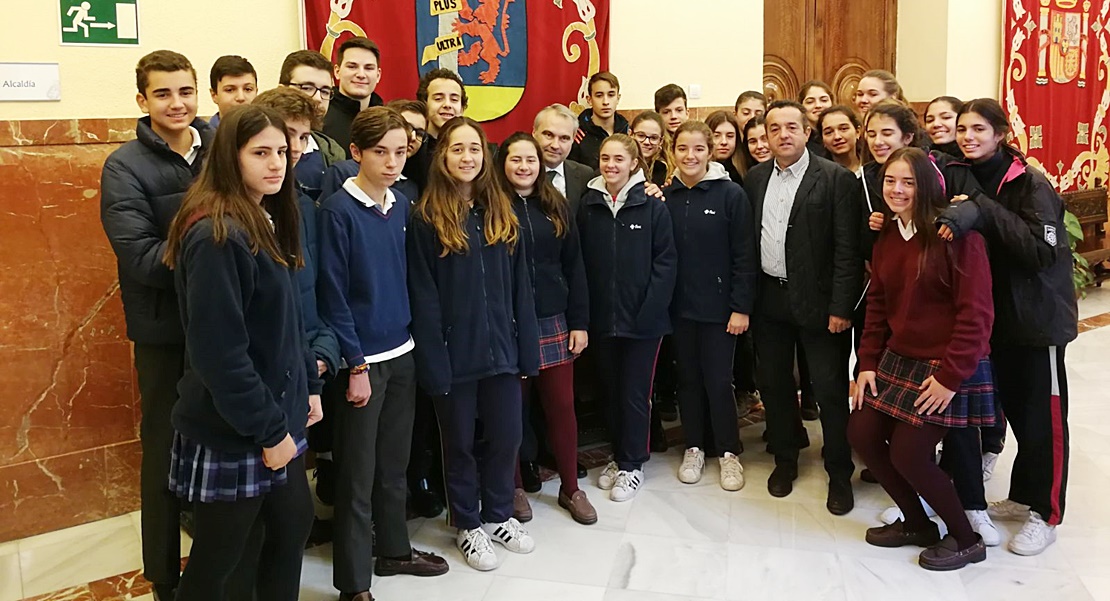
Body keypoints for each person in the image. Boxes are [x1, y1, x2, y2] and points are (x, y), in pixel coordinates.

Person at [161, 104, 321, 601]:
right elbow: (219, 354)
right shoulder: (217, 233)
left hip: (277, 411)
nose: (277, 163)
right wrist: (270, 429)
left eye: (281, 152)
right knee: (222, 557)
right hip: (239, 425)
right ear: (230, 157)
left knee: (289, 527)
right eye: (260, 153)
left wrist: (308, 388)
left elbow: (283, 323)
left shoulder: (264, 215)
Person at [317, 107, 449, 600]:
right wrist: (355, 364)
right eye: (380, 152)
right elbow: (334, 297)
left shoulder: (403, 205)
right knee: (357, 473)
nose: (392, 161)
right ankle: (354, 582)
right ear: (356, 153)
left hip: (403, 352)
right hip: (364, 363)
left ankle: (394, 549)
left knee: (395, 464)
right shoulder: (337, 212)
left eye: (401, 151)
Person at [99, 50, 214, 601]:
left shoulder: (219, 148)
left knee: (225, 447)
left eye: (186, 91)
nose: (178, 103)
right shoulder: (124, 166)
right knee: (165, 455)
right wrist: (218, 268)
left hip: (223, 330)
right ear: (142, 101)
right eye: (164, 94)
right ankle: (165, 578)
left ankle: (223, 562)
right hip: (166, 334)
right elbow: (139, 255)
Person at [848, 147, 994, 571]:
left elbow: (977, 314)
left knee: (909, 453)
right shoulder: (889, 234)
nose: (897, 189)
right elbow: (876, 304)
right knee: (862, 432)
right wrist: (867, 363)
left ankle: (966, 538)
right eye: (890, 180)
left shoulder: (957, 237)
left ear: (928, 186)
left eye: (908, 182)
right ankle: (916, 523)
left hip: (948, 362)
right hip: (897, 358)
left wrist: (950, 377)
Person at [942, 98, 1077, 556]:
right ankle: (1023, 496)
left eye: (979, 129)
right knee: (1014, 416)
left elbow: (1043, 251)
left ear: (1000, 134)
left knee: (1044, 422)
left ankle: (1047, 514)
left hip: (1037, 324)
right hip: (994, 323)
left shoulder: (1030, 184)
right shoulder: (961, 174)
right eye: (963, 128)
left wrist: (981, 207)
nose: (968, 136)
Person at [407, 116, 540, 571]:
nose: (467, 157)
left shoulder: (501, 211)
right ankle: (467, 523)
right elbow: (423, 297)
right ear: (442, 156)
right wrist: (434, 360)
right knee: (459, 443)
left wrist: (528, 350)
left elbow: (522, 287)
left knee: (507, 437)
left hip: (503, 349)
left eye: (475, 149)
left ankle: (499, 514)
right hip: (453, 354)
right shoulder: (426, 218)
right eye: (458, 149)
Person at [744, 100, 861, 515]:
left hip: (820, 302)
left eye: (791, 126)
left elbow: (848, 251)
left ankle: (838, 472)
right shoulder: (755, 178)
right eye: (774, 129)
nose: (783, 135)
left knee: (829, 391)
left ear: (807, 132)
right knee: (774, 384)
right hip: (769, 298)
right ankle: (787, 458)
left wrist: (841, 306)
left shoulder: (834, 179)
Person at [495, 132, 598, 525]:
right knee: (511, 412)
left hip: (554, 320)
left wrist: (580, 322)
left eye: (531, 160)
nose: (524, 167)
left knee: (562, 408)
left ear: (541, 165)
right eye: (516, 159)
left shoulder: (555, 205)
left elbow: (575, 266)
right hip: (508, 323)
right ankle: (515, 485)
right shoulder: (491, 207)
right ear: (502, 163)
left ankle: (571, 487)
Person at [578, 134, 677, 502]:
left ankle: (633, 464)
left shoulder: (653, 206)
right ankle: (619, 457)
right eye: (605, 158)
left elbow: (666, 263)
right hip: (604, 320)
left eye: (619, 159)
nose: (611, 165)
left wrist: (649, 311)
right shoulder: (589, 204)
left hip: (643, 323)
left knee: (636, 394)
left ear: (634, 163)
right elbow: (582, 262)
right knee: (611, 392)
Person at [665, 121, 757, 491]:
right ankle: (694, 446)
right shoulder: (665, 198)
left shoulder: (730, 195)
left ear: (710, 151)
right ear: (673, 151)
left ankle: (729, 452)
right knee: (687, 380)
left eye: (698, 149)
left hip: (721, 310)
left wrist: (741, 307)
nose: (690, 156)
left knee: (718, 381)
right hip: (678, 310)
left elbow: (744, 255)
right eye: (683, 149)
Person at [319, 99, 425, 203]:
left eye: (420, 132)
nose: (413, 137)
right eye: (407, 127)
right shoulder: (342, 172)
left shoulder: (408, 192)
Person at [278, 50, 347, 201]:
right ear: (282, 90)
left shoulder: (333, 152)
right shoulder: (257, 145)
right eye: (307, 88)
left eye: (325, 91)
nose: (317, 99)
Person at [323, 37, 385, 156]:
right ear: (337, 71)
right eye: (352, 66)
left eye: (368, 68)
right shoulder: (321, 116)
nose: (361, 74)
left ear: (378, 75)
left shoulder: (388, 120)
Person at [409, 68, 468, 191]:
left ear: (462, 108)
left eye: (454, 99)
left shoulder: (475, 153)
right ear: (424, 104)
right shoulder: (411, 148)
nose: (447, 105)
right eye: (438, 98)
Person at [533, 104, 595, 214]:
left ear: (573, 139)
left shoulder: (585, 176)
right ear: (534, 133)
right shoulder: (519, 174)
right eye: (549, 135)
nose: (555, 145)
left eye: (564, 138)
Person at [570, 71, 627, 170]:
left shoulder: (627, 131)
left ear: (618, 98)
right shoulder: (577, 135)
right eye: (599, 95)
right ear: (589, 100)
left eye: (611, 95)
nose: (605, 102)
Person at [207, 55, 257, 129]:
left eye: (248, 89)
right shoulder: (204, 138)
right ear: (214, 95)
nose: (241, 97)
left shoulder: (269, 135)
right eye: (230, 90)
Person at [819, 105, 863, 174]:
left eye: (843, 129)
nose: (837, 137)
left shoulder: (873, 170)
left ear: (857, 132)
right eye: (829, 132)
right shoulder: (819, 174)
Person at [631, 111, 671, 187]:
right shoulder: (622, 163)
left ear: (661, 141)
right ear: (630, 134)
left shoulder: (662, 168)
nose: (647, 142)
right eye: (641, 135)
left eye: (653, 138)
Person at [705, 110, 745, 185]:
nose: (724, 142)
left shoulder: (745, 169)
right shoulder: (697, 171)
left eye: (730, 136)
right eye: (716, 136)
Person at [798, 80, 834, 159]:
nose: (818, 105)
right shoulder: (799, 139)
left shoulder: (841, 134)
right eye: (810, 102)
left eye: (824, 100)